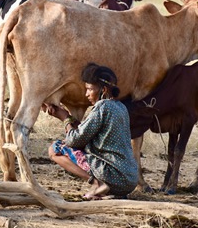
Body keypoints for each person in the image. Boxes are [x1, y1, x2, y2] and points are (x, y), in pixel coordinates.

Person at [44, 63, 138, 199]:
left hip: (112, 175)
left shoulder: (102, 107)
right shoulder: (120, 107)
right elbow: (86, 131)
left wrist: (64, 118)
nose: (86, 94)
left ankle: (97, 184)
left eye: (89, 89)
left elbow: (74, 140)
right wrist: (68, 117)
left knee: (55, 148)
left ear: (103, 90)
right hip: (129, 180)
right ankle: (110, 193)